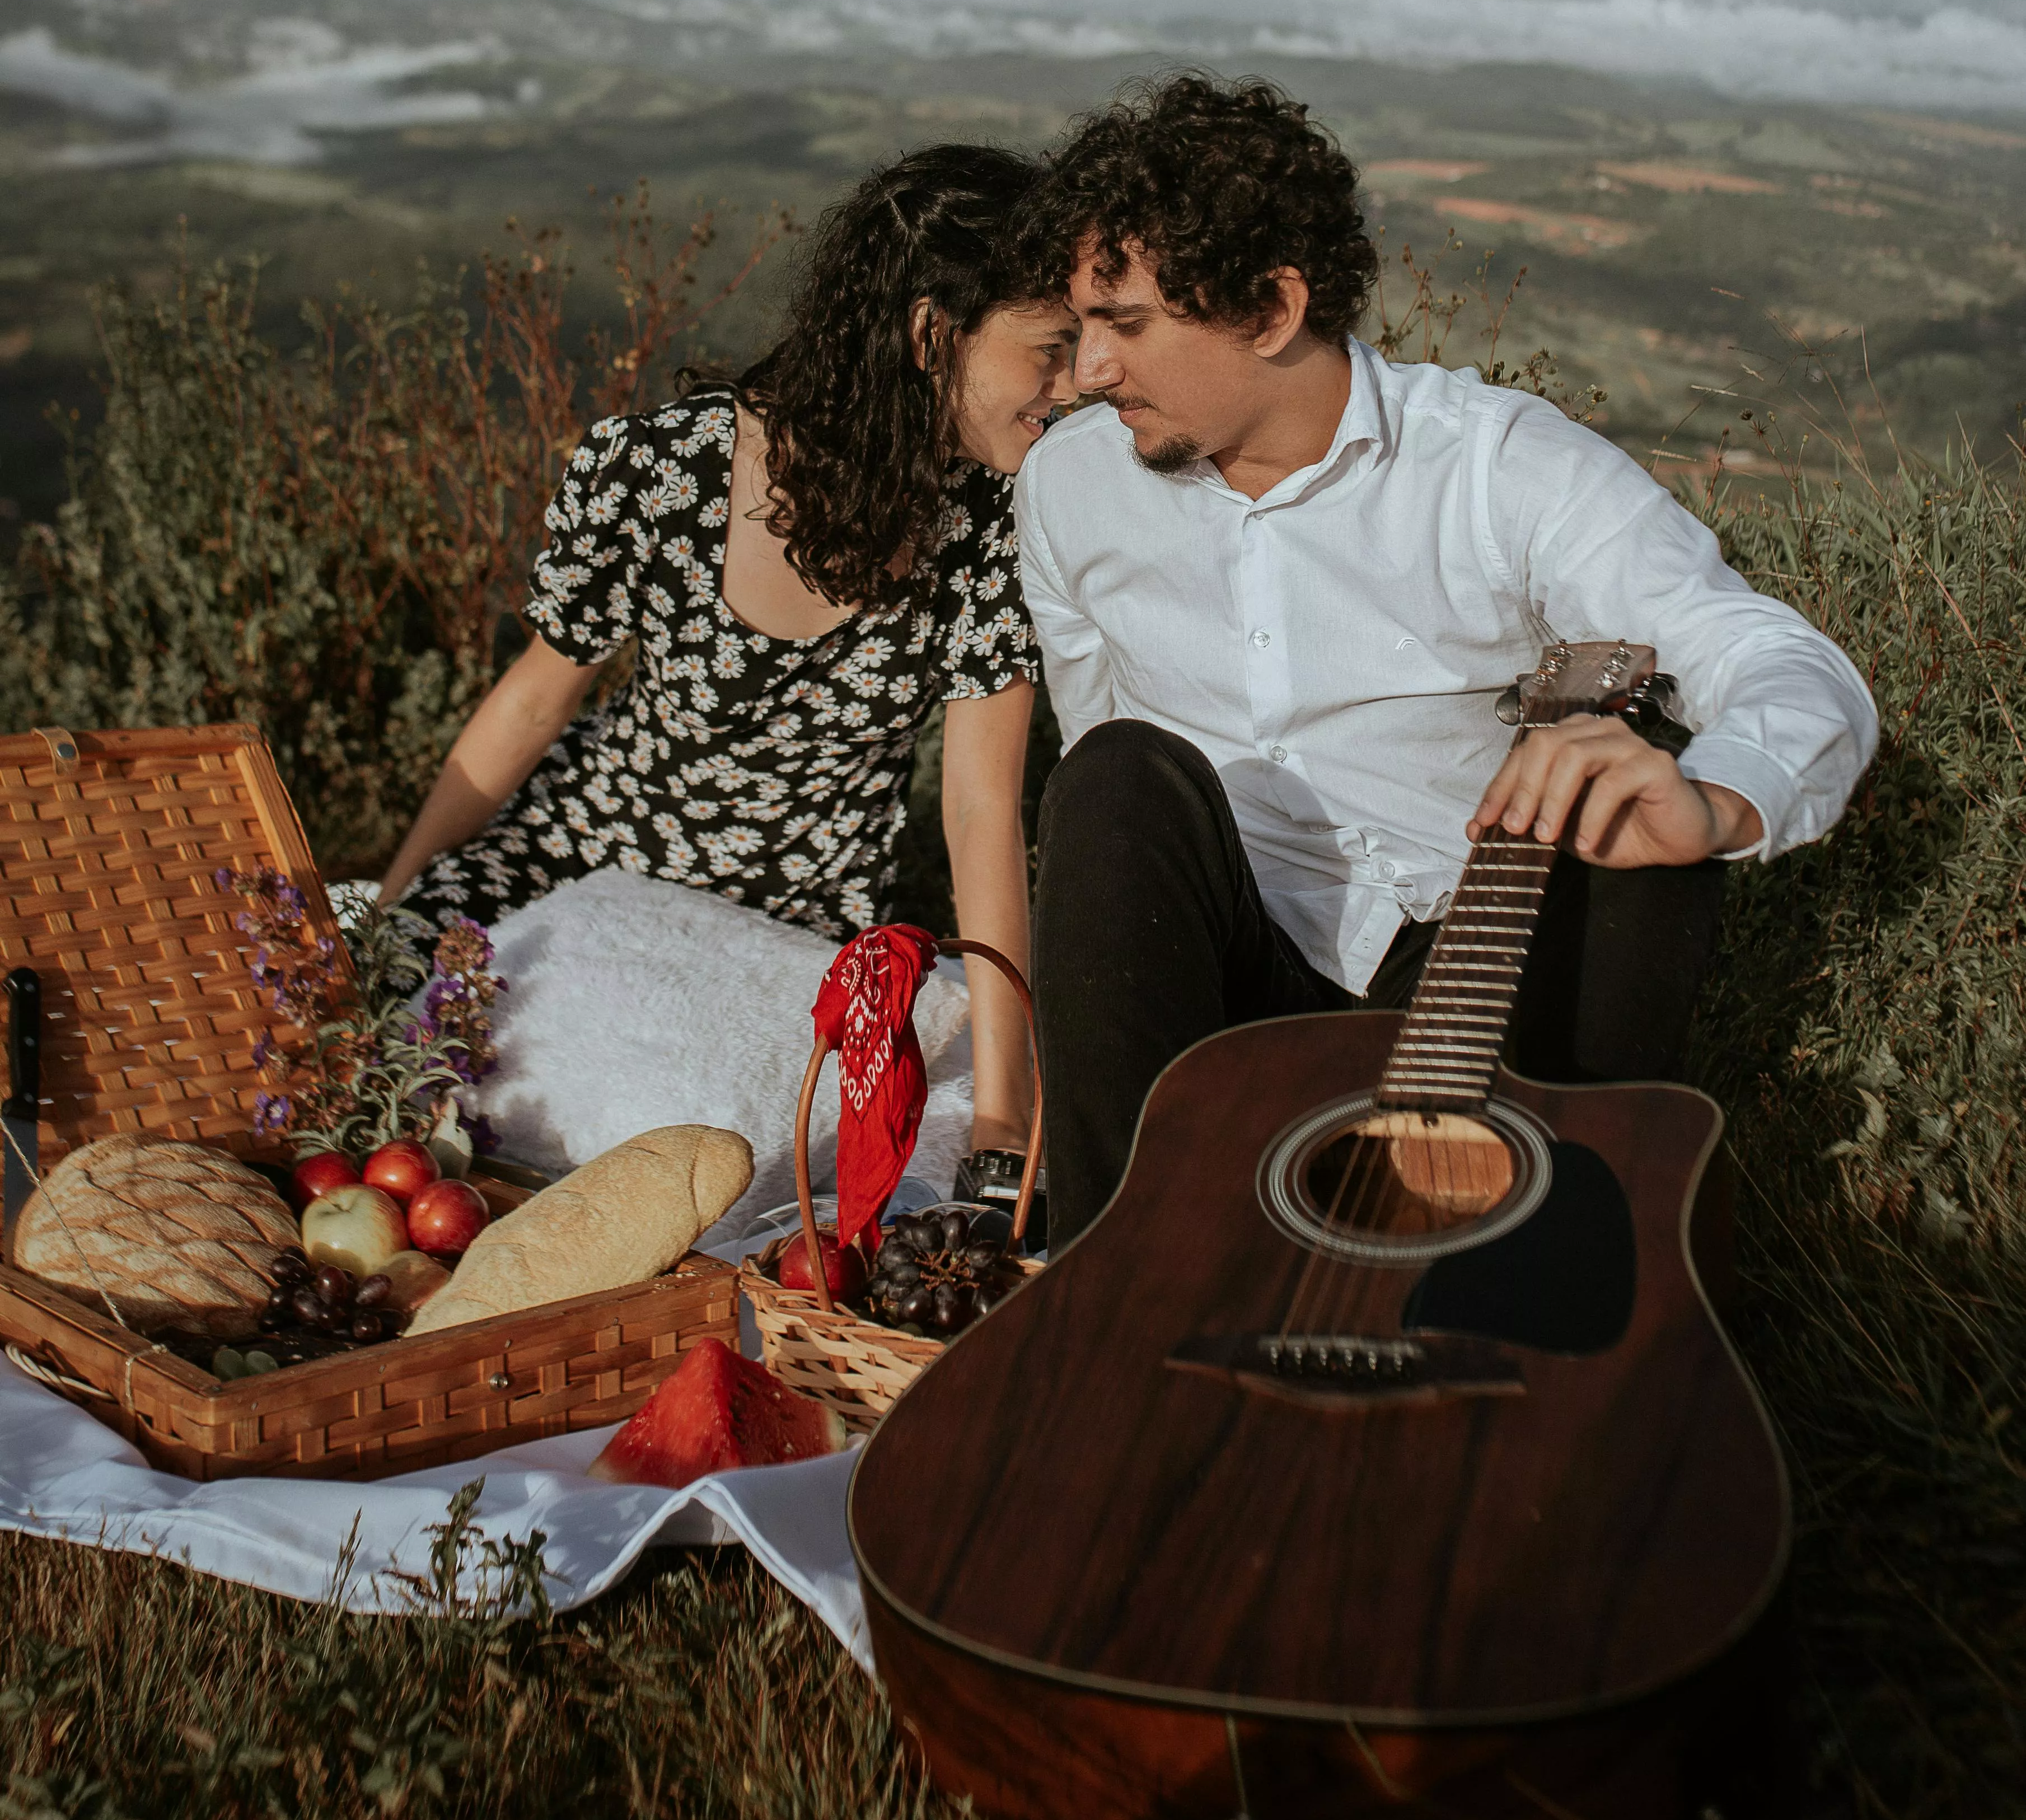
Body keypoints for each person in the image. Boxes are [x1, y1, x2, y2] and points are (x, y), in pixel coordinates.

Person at [1008, 75, 1878, 1249]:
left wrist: (1721, 801)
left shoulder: (1496, 468)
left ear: (1272, 307)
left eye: (1129, 325)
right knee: (1111, 775)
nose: (1090, 371)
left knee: (1635, 807)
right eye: (1082, 324)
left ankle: (1561, 1278)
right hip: (1222, 976)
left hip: (1467, 958)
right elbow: (1098, 767)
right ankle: (1113, 1275)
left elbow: (1776, 657)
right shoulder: (1069, 485)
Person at [381, 144, 1077, 1165]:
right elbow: (532, 702)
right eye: (1049, 348)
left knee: (760, 1144)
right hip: (587, 848)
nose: (1076, 382)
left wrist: (1005, 1113)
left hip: (797, 924)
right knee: (398, 1008)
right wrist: (394, 899)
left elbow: (979, 808)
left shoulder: (994, 523)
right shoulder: (656, 467)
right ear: (932, 334)